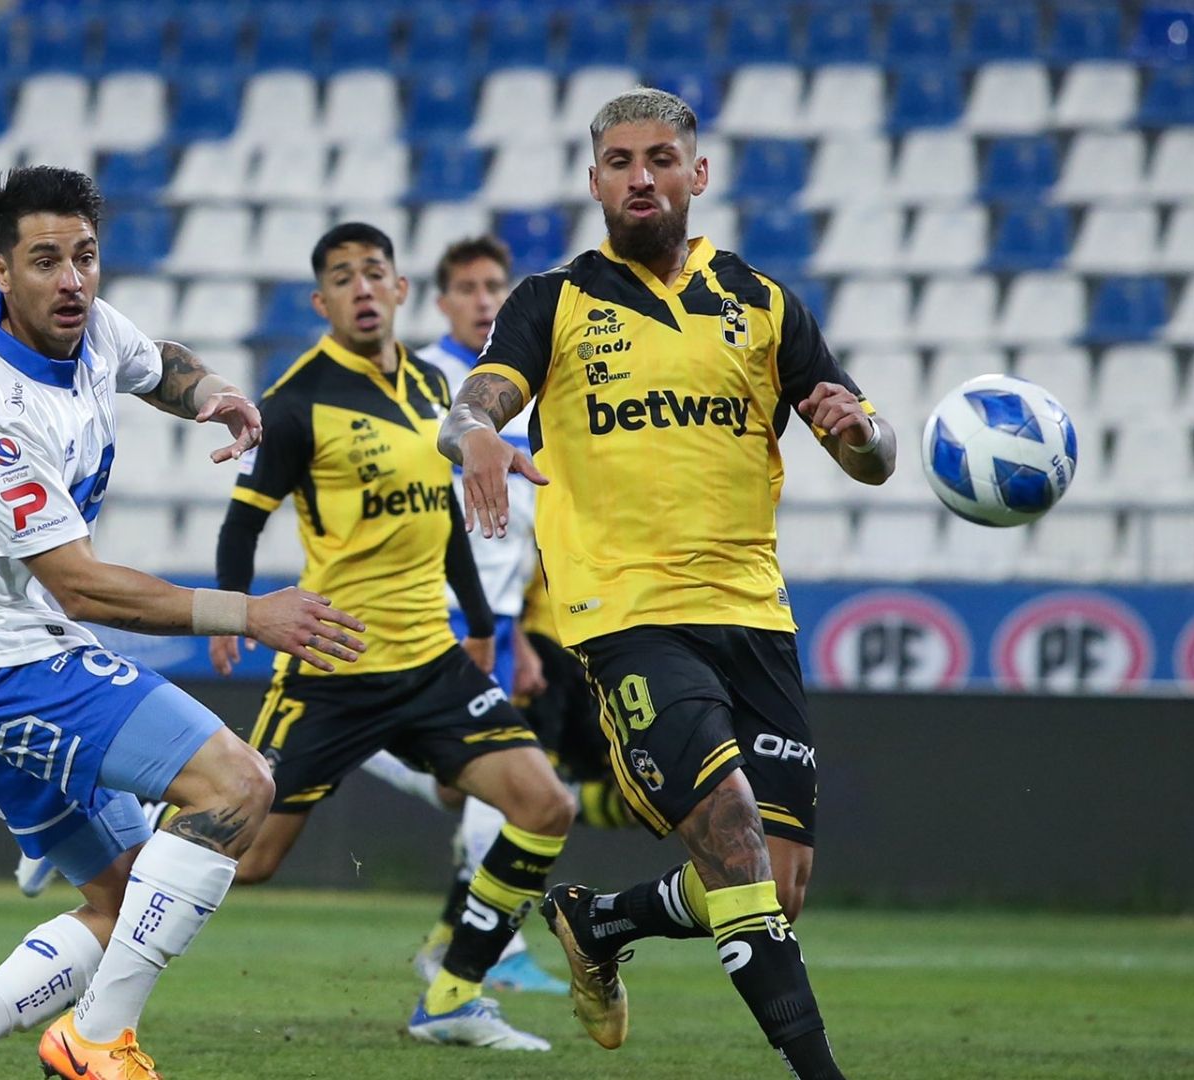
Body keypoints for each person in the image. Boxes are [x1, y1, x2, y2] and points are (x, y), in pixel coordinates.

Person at [0, 166, 365, 1080]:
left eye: (84, 257)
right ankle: (95, 1041)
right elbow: (80, 589)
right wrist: (249, 613)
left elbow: (156, 362)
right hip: (8, 669)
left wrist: (211, 390)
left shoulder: (89, 327)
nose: (71, 279)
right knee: (238, 787)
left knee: (133, 896)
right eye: (45, 260)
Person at [441, 88, 894, 1080]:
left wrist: (864, 435)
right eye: (617, 162)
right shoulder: (551, 302)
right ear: (594, 179)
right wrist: (473, 429)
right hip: (625, 617)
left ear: (697, 174)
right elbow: (478, 396)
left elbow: (873, 455)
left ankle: (597, 920)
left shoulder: (767, 305)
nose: (638, 176)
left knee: (776, 883)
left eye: (658, 158)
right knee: (726, 823)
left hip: (754, 614)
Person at [208, 222, 577, 1051]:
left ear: (400, 288)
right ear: (322, 302)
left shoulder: (429, 391)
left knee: (543, 803)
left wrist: (481, 626)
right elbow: (244, 520)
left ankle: (451, 998)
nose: (363, 288)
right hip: (334, 667)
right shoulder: (296, 398)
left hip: (432, 664)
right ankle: (102, 850)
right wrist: (234, 606)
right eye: (343, 278)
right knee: (248, 857)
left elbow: (442, 514)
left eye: (375, 273)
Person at [353, 235, 564, 996]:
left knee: (469, 783)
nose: (483, 301)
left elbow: (533, 519)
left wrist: (531, 630)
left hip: (499, 623)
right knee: (504, 781)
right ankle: (486, 951)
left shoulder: (523, 390)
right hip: (428, 610)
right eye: (468, 288)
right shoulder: (421, 381)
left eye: (494, 288)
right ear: (438, 301)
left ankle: (456, 942)